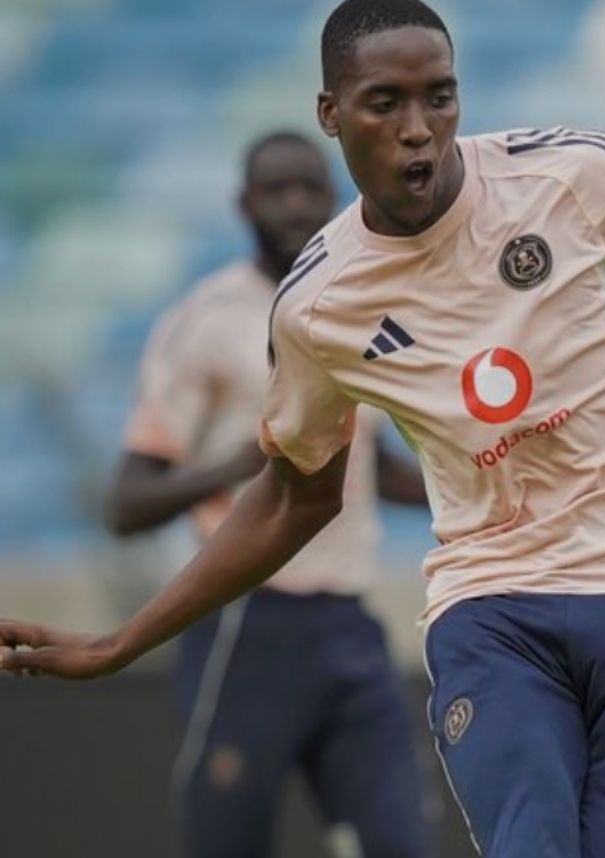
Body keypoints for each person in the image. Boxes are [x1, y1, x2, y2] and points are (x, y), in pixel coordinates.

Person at [1, 2, 605, 856]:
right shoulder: (318, 309)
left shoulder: (572, 180)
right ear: (331, 113)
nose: (419, 127)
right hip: (488, 606)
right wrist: (122, 642)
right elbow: (295, 498)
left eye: (440, 96)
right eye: (385, 103)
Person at [103, 130, 434, 858]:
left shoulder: (355, 310)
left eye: (309, 189)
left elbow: (366, 468)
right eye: (275, 190)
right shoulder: (209, 319)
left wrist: (474, 487)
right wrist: (238, 463)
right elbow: (128, 502)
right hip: (244, 625)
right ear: (243, 203)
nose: (294, 205)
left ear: (333, 195)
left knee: (403, 841)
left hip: (348, 625)